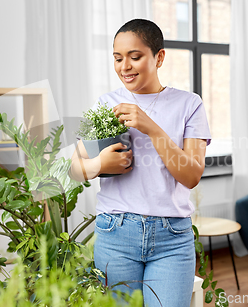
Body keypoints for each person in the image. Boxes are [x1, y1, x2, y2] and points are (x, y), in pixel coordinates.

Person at [70, 18, 211, 307]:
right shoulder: (106, 104)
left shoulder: (189, 104)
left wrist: (151, 127)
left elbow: (192, 175)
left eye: (135, 57)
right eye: (118, 58)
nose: (125, 66)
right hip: (115, 234)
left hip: (172, 238)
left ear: (158, 57)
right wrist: (100, 165)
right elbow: (75, 168)